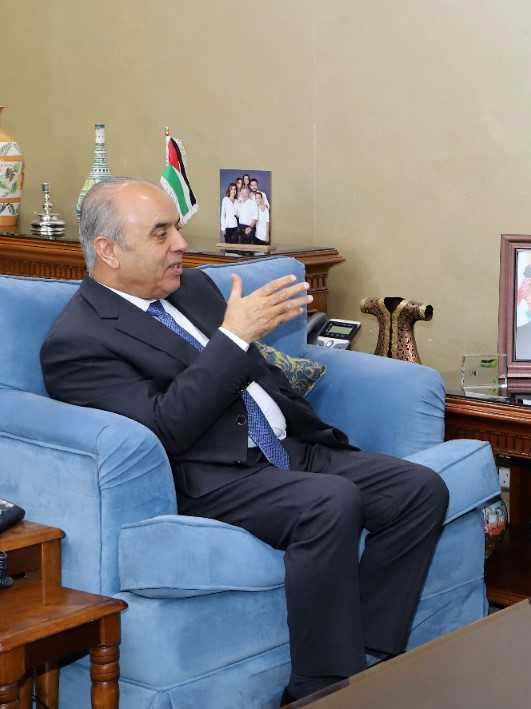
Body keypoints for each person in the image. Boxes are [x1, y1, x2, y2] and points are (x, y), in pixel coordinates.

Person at [41, 178, 450, 705]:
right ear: (108, 250)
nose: (181, 245)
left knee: (419, 489)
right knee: (330, 501)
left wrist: (265, 373)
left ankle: (369, 657)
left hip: (286, 448)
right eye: (161, 234)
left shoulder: (194, 289)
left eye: (178, 229)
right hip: (212, 475)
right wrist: (233, 337)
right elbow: (164, 428)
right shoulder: (79, 340)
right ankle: (318, 690)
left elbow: (256, 373)